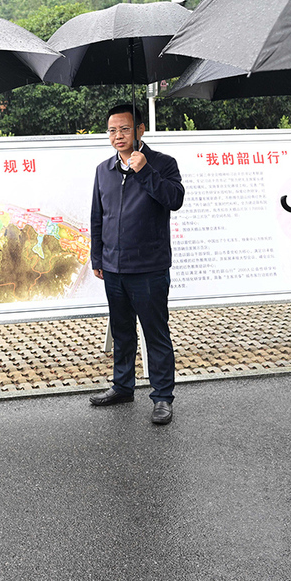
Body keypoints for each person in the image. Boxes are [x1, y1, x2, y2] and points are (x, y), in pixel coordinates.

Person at [88, 104, 184, 425]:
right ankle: (122, 386)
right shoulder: (104, 170)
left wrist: (145, 171)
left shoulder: (163, 164)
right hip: (114, 267)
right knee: (122, 331)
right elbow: (97, 216)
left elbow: (174, 199)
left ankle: (162, 396)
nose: (118, 136)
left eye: (125, 129)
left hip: (149, 267)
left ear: (140, 130)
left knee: (155, 332)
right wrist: (98, 257)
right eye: (112, 130)